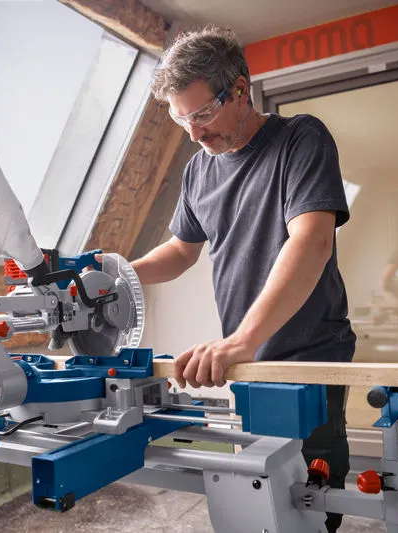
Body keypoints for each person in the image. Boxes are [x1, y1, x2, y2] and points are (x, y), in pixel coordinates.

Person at [111, 25, 356, 532]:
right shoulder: (199, 170)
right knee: (259, 492)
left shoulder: (300, 139)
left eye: (202, 114)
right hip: (248, 360)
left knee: (310, 501)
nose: (194, 134)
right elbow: (180, 251)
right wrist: (115, 273)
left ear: (240, 89)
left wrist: (242, 338)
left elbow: (311, 241)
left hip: (310, 355)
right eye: (181, 119)